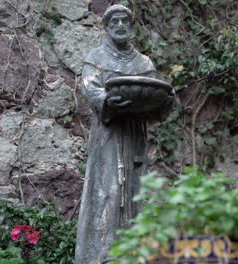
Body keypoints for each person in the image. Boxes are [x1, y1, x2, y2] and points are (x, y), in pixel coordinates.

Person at [74, 5, 167, 263]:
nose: (119, 25)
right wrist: (106, 101)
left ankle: (132, 252)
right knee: (106, 191)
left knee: (135, 190)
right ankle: (100, 255)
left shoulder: (143, 63)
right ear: (106, 26)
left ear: (131, 25)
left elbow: (154, 95)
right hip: (108, 136)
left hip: (135, 136)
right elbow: (90, 88)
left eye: (124, 21)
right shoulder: (96, 57)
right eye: (114, 21)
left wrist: (162, 102)